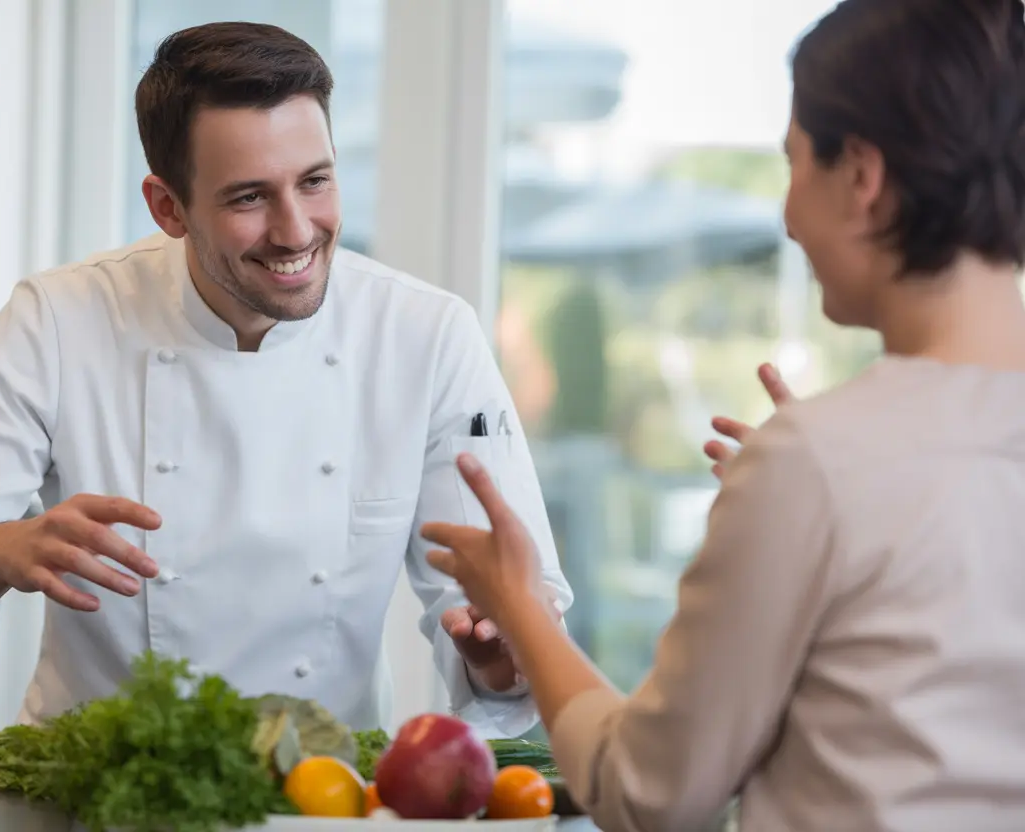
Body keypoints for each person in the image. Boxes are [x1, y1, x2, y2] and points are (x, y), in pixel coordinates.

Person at [0, 21, 572, 737]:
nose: (296, 231)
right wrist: (2, 548)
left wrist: (500, 655)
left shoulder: (427, 335)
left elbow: (509, 621)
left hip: (315, 803)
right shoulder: (60, 319)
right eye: (248, 198)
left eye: (315, 181)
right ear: (168, 207)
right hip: (88, 796)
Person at [422, 0, 1025, 828]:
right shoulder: (836, 471)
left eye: (794, 166)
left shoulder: (820, 465)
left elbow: (648, 791)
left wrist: (519, 603)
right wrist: (810, 516)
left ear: (861, 175)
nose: (787, 216)